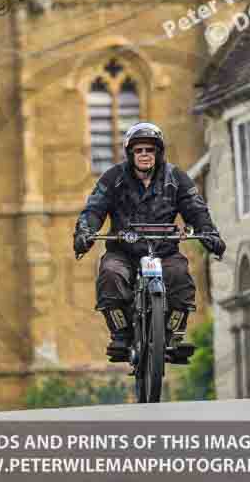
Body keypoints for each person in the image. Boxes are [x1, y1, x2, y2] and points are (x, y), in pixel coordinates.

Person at [73, 122, 226, 359]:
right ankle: (121, 334)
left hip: (164, 251)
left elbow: (197, 210)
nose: (144, 155)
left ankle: (174, 334)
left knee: (180, 277)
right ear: (131, 154)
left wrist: (210, 234)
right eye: (139, 150)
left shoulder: (176, 178)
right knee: (110, 274)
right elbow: (94, 209)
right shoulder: (113, 178)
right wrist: (85, 232)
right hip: (123, 251)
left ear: (158, 152)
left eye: (150, 150)